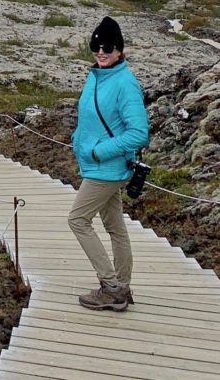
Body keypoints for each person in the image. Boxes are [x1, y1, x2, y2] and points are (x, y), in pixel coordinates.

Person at [68, 16, 149, 311]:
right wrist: (78, 138)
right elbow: (90, 116)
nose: (101, 52)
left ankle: (111, 287)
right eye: (96, 46)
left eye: (108, 47)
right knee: (115, 226)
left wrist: (100, 151)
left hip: (107, 168)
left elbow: (139, 132)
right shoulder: (96, 75)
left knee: (77, 220)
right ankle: (122, 287)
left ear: (119, 49)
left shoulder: (126, 84)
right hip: (97, 164)